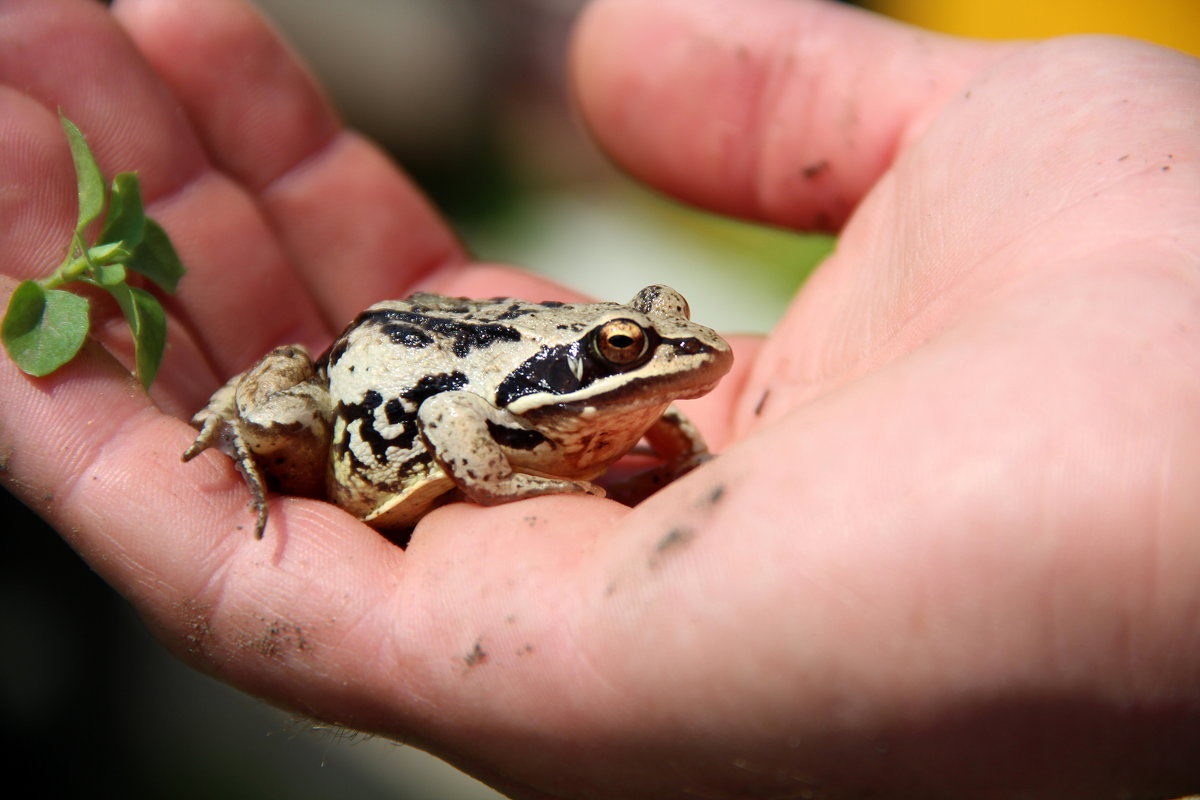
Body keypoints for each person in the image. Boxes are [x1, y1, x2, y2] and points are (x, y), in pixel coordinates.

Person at [2, 0, 1198, 796]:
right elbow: (471, 431)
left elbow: (657, 416)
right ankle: (233, 427)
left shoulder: (627, 408)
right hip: (369, 388)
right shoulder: (520, 411)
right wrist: (542, 473)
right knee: (278, 412)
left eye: (659, 337)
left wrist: (662, 433)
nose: (668, 363)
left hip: (468, 358)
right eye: (631, 345)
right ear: (592, 353)